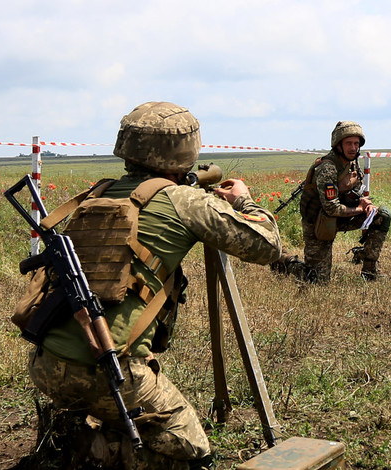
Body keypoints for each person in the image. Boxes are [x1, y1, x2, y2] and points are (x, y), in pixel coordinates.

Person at [25, 101, 282, 469]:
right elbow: (268, 246)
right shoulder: (185, 201)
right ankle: (94, 449)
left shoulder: (98, 193)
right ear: (186, 150)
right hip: (107, 371)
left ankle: (78, 426)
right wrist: (243, 199)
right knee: (192, 453)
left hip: (46, 363)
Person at [294, 120, 391, 282]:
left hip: (341, 215)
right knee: (317, 281)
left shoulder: (352, 163)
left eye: (356, 143)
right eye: (348, 143)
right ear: (338, 144)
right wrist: (360, 208)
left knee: (382, 215)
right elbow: (331, 208)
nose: (353, 148)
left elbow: (355, 192)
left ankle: (369, 271)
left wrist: (366, 205)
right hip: (319, 223)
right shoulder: (327, 168)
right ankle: (286, 263)